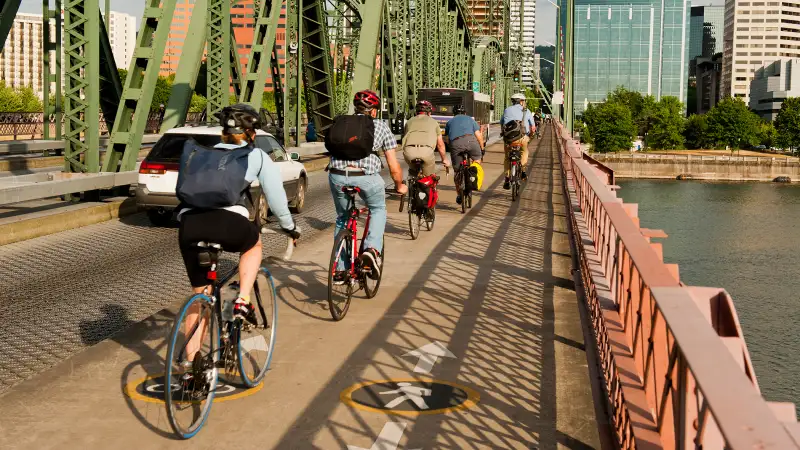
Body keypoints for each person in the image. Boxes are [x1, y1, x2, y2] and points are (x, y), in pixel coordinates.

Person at [177, 104, 301, 323]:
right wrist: (289, 228)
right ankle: (243, 300)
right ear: (251, 134)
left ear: (223, 132)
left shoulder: (201, 154)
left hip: (189, 224)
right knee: (254, 245)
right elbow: (277, 199)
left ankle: (190, 357)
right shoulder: (257, 155)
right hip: (228, 222)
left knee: (200, 296)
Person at [328, 90, 406, 282]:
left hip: (337, 176)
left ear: (355, 108)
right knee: (378, 209)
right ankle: (371, 250)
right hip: (365, 177)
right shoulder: (380, 126)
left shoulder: (340, 123)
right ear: (373, 111)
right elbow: (393, 166)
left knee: (342, 218)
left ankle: (339, 270)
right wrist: (399, 185)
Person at [445, 104, 484, 204]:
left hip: (456, 144)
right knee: (477, 160)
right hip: (471, 142)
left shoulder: (450, 122)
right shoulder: (471, 120)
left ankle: (459, 194)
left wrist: (451, 147)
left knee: (457, 171)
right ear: (465, 113)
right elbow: (478, 135)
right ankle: (473, 178)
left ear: (454, 113)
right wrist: (482, 149)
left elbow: (447, 138)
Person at [401, 100, 450, 177]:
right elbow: (440, 145)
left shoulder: (409, 121)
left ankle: (411, 179)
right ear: (429, 113)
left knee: (413, 171)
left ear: (416, 112)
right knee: (429, 177)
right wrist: (444, 159)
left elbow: (404, 136)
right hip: (426, 152)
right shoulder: (434, 122)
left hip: (409, 152)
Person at [500, 93, 536, 189]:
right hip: (522, 138)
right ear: (521, 101)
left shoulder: (507, 110)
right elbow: (533, 128)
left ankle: (507, 178)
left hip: (509, 139)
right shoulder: (526, 111)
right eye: (523, 101)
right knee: (524, 151)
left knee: (507, 157)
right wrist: (531, 136)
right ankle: (523, 172)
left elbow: (502, 123)